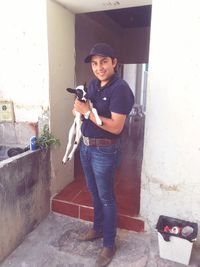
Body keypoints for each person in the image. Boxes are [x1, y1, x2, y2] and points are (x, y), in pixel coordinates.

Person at [74, 42, 134, 267]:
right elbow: (83, 105)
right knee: (93, 191)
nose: (99, 67)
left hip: (105, 150)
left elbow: (116, 127)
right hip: (86, 146)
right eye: (95, 63)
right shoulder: (93, 84)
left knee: (106, 197)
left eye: (104, 62)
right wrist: (78, 108)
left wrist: (87, 112)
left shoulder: (121, 89)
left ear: (114, 62)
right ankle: (98, 229)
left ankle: (109, 244)